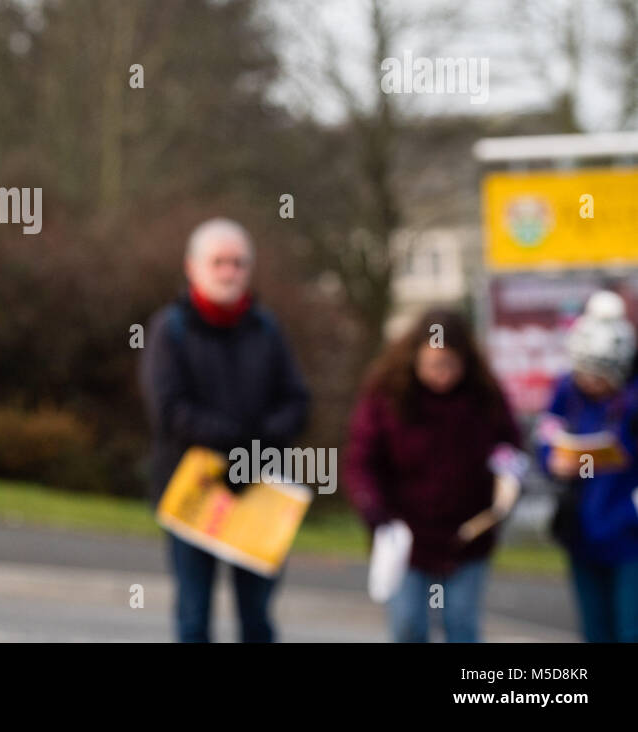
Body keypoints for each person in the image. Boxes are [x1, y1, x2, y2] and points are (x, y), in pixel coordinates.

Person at [139, 217, 310, 642]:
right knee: (194, 615)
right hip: (192, 492)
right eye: (219, 262)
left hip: (258, 492)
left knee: (257, 617)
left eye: (238, 263)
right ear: (192, 267)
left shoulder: (267, 329)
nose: (229, 272)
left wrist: (259, 445)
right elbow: (169, 409)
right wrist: (235, 442)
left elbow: (297, 401)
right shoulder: (170, 330)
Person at [343, 308, 522, 643]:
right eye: (432, 365)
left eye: (449, 365)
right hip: (405, 537)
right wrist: (374, 511)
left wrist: (509, 482)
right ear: (414, 359)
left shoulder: (485, 396)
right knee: (409, 626)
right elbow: (362, 460)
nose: (441, 374)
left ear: (465, 361)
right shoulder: (388, 396)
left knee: (461, 624)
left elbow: (509, 447)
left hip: (467, 537)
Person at [536, 290, 638, 643]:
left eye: (600, 377)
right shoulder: (566, 390)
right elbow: (546, 435)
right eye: (585, 374)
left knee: (630, 630)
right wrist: (551, 457)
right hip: (581, 532)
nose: (590, 384)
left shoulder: (632, 401)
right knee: (595, 632)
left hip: (629, 535)